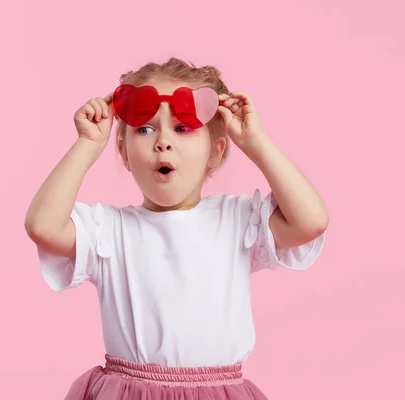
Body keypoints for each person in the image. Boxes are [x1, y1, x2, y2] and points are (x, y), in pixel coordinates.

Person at [24, 57, 328, 399]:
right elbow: (43, 225)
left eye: (182, 129)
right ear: (123, 153)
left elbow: (310, 221)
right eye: (145, 129)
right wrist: (87, 145)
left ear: (215, 151)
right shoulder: (109, 230)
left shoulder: (236, 220)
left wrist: (255, 143)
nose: (163, 142)